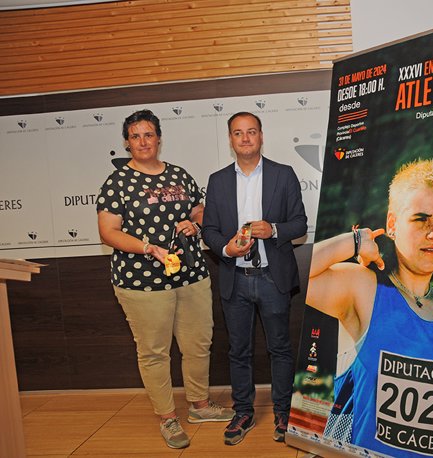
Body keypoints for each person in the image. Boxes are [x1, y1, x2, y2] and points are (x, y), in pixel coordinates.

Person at [306, 159, 433, 458]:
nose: (432, 233)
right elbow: (284, 274)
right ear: (392, 225)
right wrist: (356, 241)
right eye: (420, 218)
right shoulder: (363, 287)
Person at [96, 109, 234, 450]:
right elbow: (108, 232)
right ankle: (167, 417)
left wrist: (196, 223)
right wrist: (148, 248)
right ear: (127, 143)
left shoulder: (179, 175)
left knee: (198, 343)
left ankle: (200, 406)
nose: (143, 141)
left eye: (148, 134)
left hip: (190, 273)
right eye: (135, 136)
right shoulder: (117, 183)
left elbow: (198, 208)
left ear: (159, 138)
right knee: (155, 352)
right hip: (141, 281)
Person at [202, 111, 307, 446]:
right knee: (239, 350)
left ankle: (283, 411)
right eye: (238, 133)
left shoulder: (284, 174)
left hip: (272, 278)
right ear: (230, 140)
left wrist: (273, 229)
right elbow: (209, 231)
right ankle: (243, 411)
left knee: (280, 348)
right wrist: (227, 248)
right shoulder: (217, 180)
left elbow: (300, 224)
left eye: (251, 132)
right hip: (235, 277)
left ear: (261, 136)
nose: (245, 138)